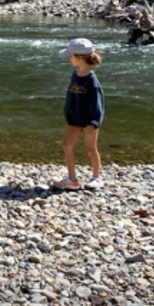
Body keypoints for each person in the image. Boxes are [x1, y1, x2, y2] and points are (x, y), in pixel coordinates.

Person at [52, 38, 104, 191]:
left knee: (91, 149)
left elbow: (97, 103)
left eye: (70, 55)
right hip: (74, 118)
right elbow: (71, 97)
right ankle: (72, 179)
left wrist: (94, 122)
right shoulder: (75, 75)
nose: (69, 58)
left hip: (89, 121)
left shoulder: (92, 80)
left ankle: (96, 177)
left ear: (79, 57)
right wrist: (67, 112)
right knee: (67, 145)